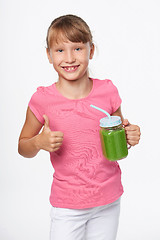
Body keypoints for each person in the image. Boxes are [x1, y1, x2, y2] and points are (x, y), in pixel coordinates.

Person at [18, 14, 141, 240]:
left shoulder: (108, 91)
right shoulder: (41, 99)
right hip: (67, 206)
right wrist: (38, 142)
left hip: (108, 201)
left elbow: (117, 143)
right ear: (48, 55)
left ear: (91, 50)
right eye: (60, 50)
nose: (69, 58)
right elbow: (22, 147)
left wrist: (128, 136)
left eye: (77, 48)